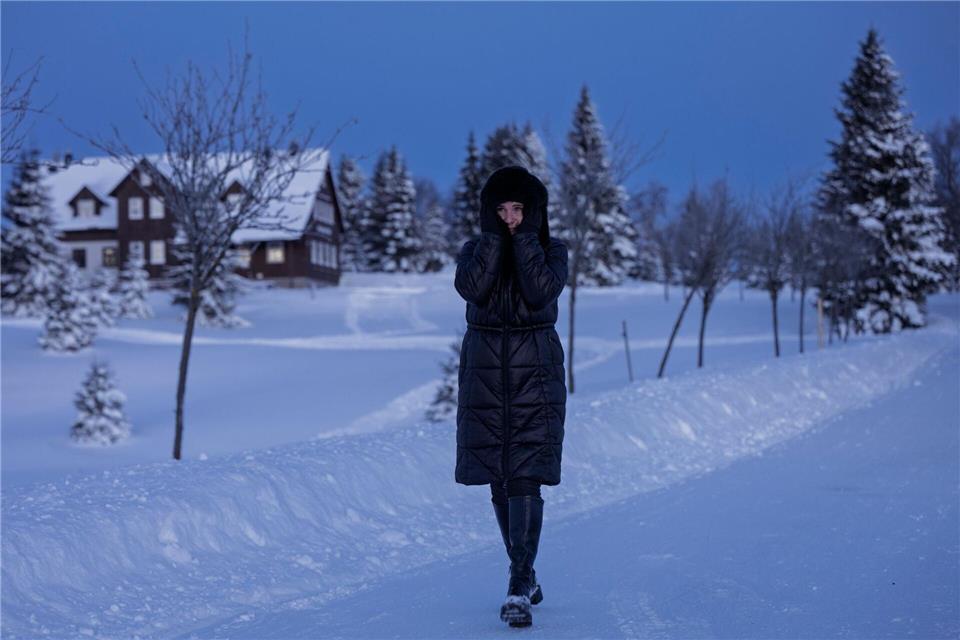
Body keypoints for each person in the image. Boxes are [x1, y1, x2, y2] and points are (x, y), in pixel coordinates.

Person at [453, 165, 569, 628]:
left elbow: (541, 292)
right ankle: (525, 571)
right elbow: (471, 288)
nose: (510, 218)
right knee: (499, 476)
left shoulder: (551, 251)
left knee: (525, 474)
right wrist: (494, 242)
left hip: (534, 370)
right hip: (484, 371)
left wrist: (523, 241)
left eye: (518, 209)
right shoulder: (475, 250)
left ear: (534, 211)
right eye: (501, 210)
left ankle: (518, 583)